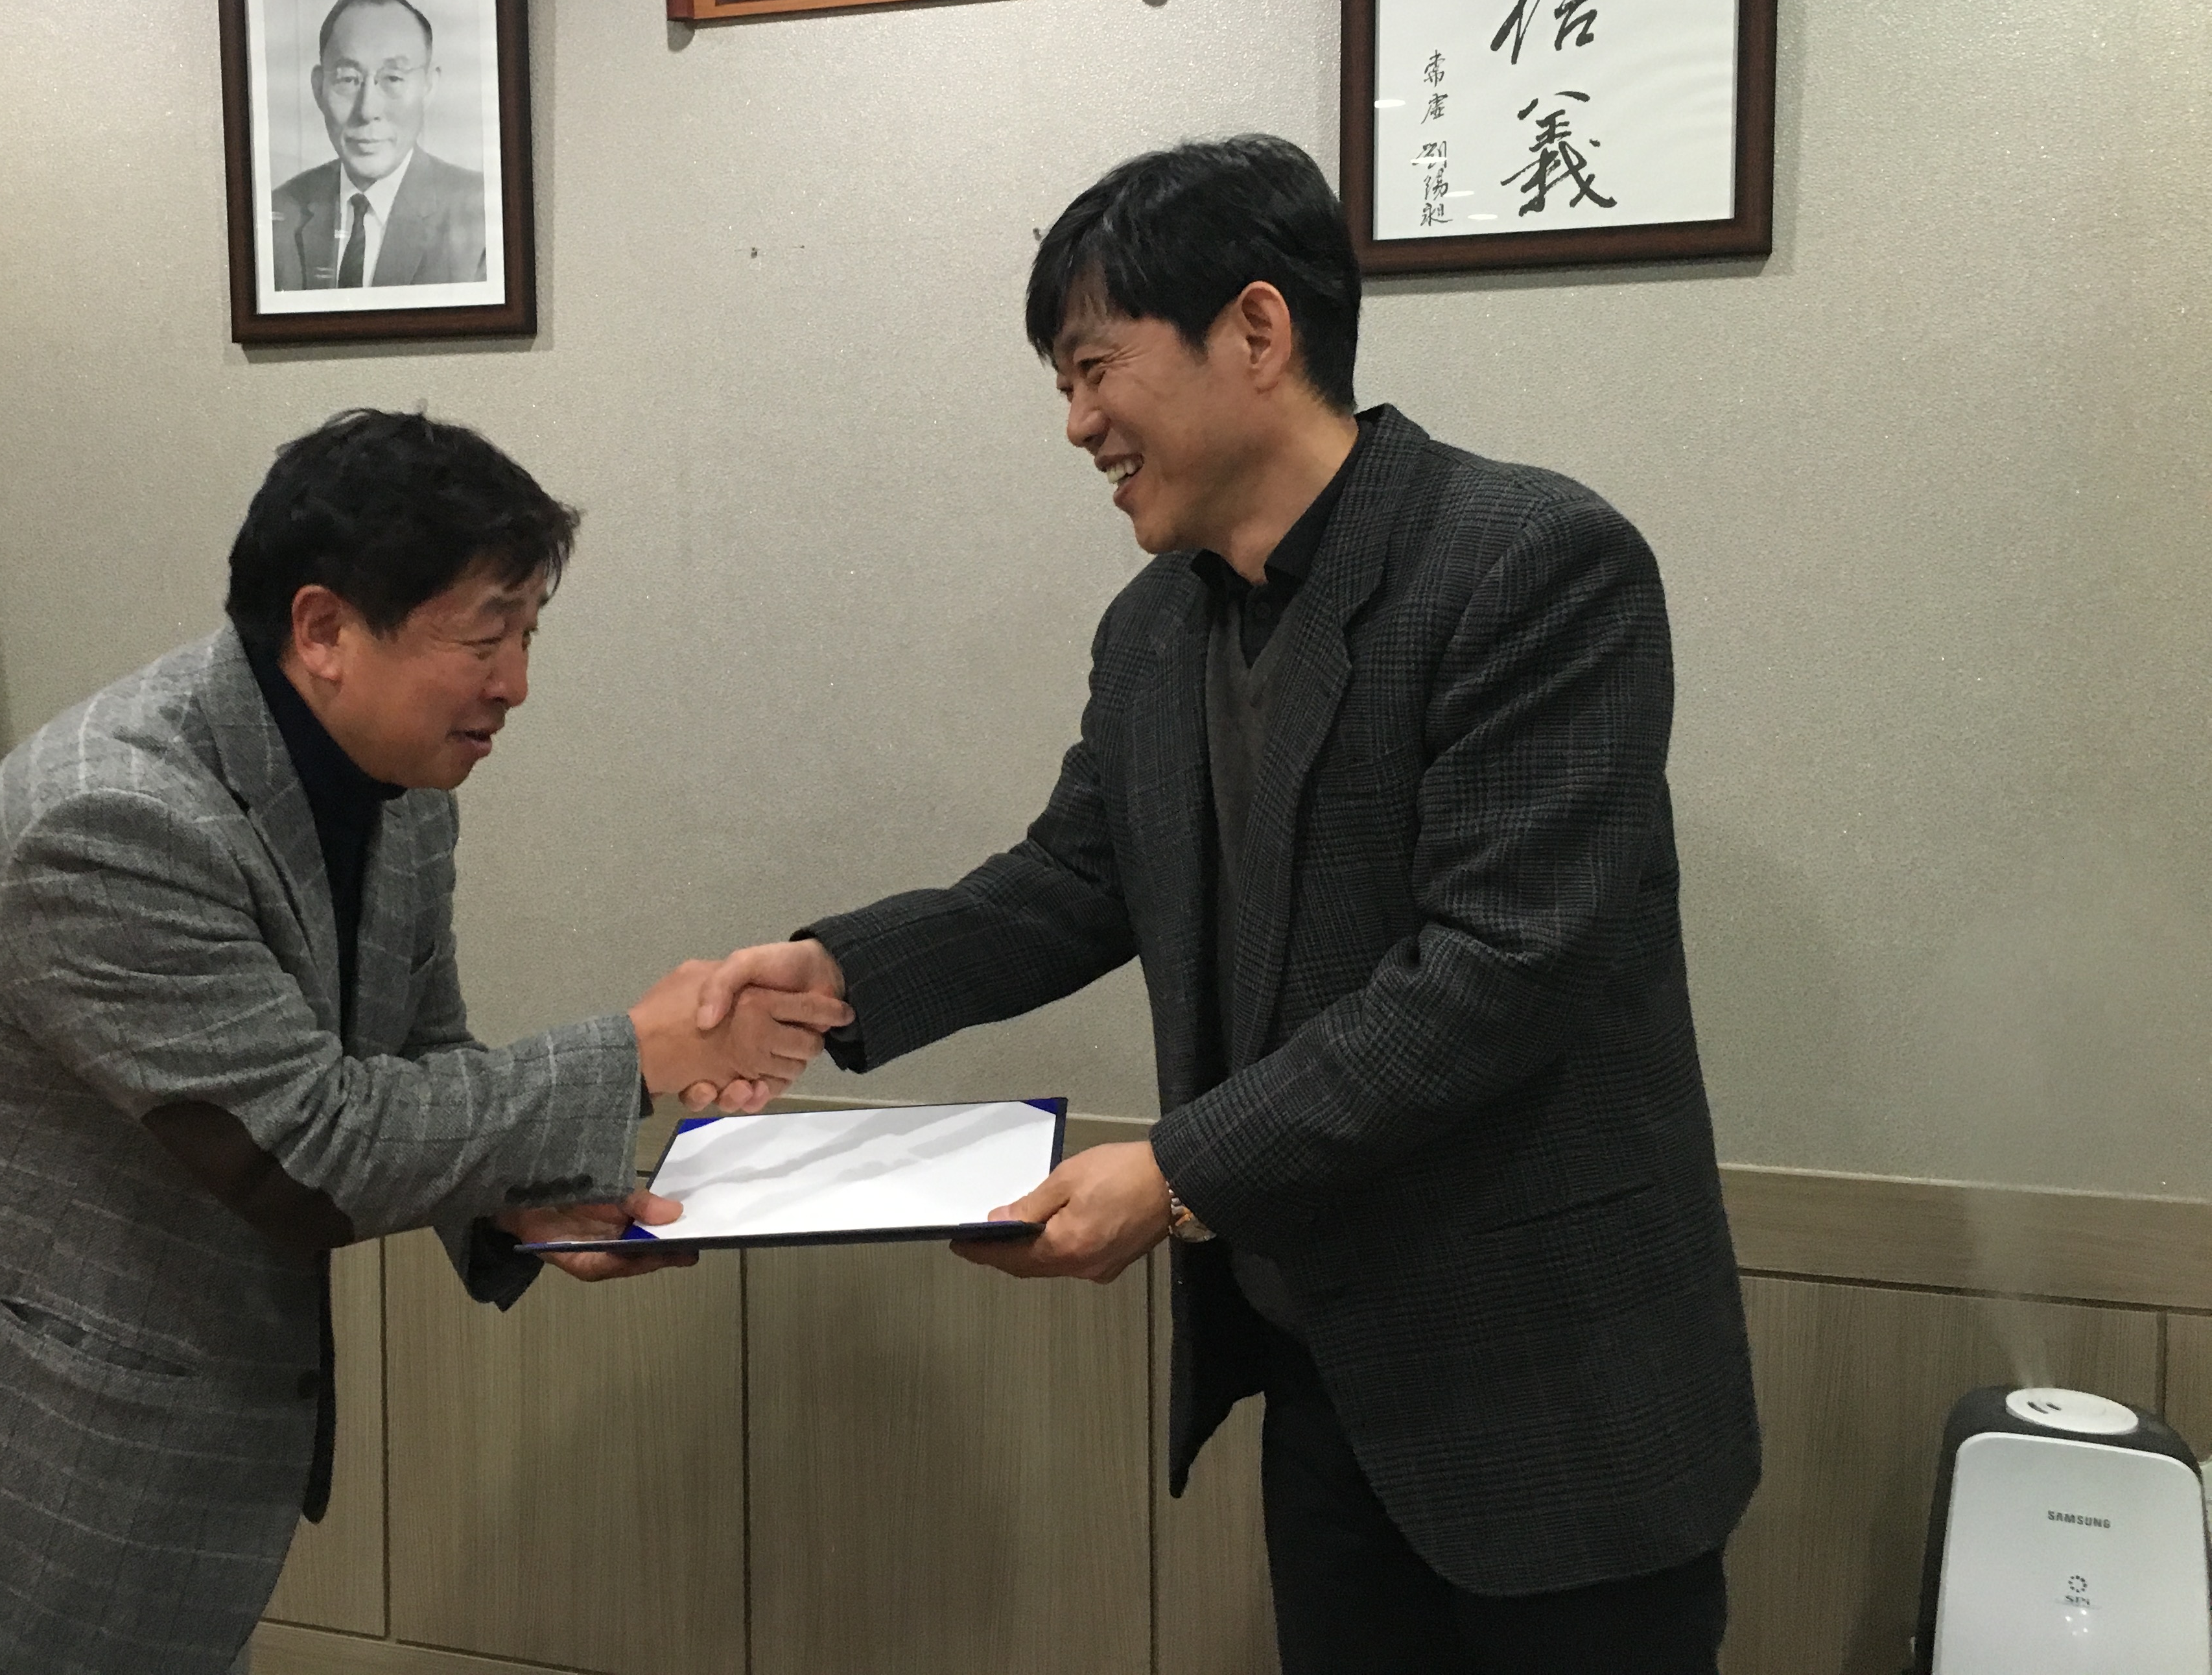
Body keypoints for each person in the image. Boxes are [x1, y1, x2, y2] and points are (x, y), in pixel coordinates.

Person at [696, 136, 1760, 1673]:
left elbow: (1500, 969)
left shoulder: (1531, 562)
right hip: (1323, 1384)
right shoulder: (1154, 631)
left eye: (1094, 369)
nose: (1077, 424)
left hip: (1557, 1399)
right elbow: (1075, 879)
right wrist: (833, 978)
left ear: (1257, 330)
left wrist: (1176, 1170)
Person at [0, 410, 845, 1675]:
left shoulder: (401, 793)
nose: (515, 684)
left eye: (529, 634)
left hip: (160, 1443)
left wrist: (521, 1204)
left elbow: (415, 1067)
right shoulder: (106, 818)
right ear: (323, 630)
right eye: (484, 637)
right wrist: (637, 1055)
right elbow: (310, 1146)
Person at [270, 0, 484, 292]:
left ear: (428, 87)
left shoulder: (483, 216)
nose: (368, 110)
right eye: (348, 79)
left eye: (393, 78)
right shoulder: (277, 216)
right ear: (319, 88)